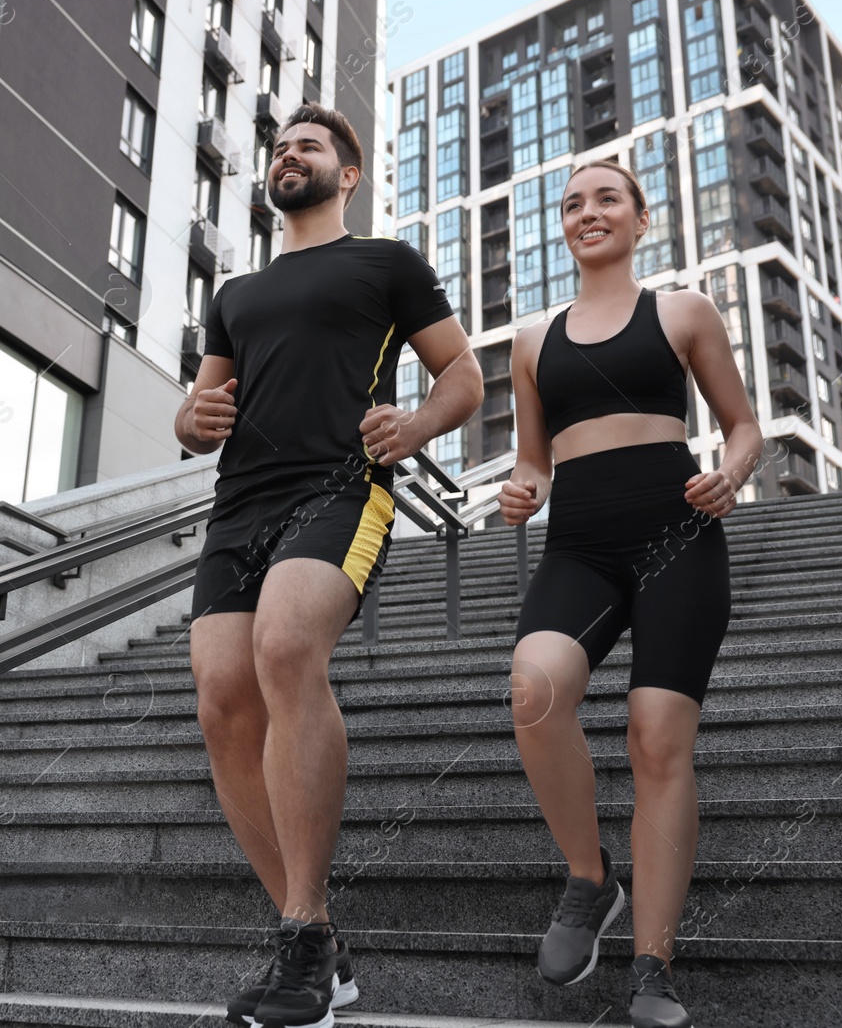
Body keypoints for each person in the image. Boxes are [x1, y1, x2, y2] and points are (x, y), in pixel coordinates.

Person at [175, 102, 483, 1028]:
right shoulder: (233, 293)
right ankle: (313, 935)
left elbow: (462, 374)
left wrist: (416, 424)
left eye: (306, 147)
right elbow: (197, 410)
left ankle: (304, 935)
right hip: (240, 504)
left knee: (283, 648)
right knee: (222, 696)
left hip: (341, 487)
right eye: (279, 149)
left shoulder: (386, 264)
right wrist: (193, 422)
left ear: (346, 175)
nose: (287, 157)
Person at [496, 159, 763, 1028]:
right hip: (581, 546)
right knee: (534, 686)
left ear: (642, 218)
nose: (587, 212)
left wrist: (729, 475)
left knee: (656, 737)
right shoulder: (532, 342)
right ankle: (590, 878)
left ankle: (654, 962)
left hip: (678, 537)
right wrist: (521, 487)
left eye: (606, 197)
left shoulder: (683, 310)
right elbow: (535, 457)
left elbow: (743, 425)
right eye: (572, 203)